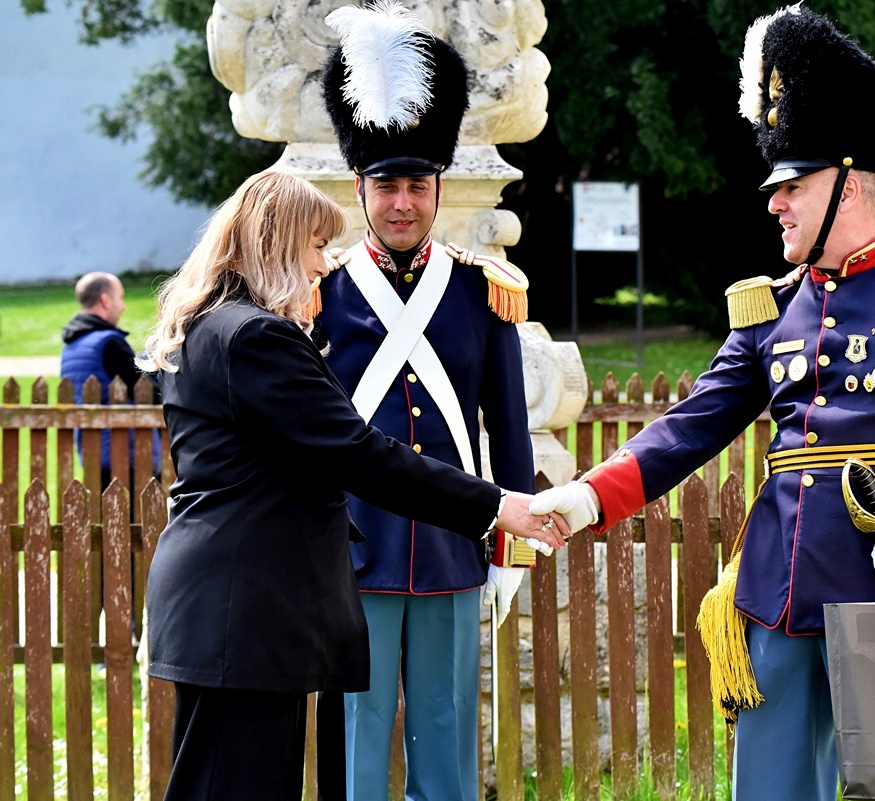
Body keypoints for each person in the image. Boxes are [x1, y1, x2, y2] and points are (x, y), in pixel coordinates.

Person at [531, 7, 875, 800]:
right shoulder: (772, 310)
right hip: (781, 595)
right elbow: (693, 424)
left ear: (850, 186)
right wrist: (588, 495)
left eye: (793, 187)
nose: (774, 204)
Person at [139, 169, 568, 801]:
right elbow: (360, 454)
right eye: (314, 246)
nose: (322, 264)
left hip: (230, 601)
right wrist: (499, 506)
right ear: (277, 244)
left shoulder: (209, 325)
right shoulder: (258, 335)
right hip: (247, 603)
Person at [314, 4, 541, 799]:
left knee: (447, 738)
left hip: (451, 545)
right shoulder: (321, 293)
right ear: (360, 188)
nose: (402, 202)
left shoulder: (485, 290)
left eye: (417, 184)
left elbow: (508, 429)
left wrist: (511, 548)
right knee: (357, 738)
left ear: (439, 186)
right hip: (354, 548)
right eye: (387, 185)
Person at [61, 271, 161, 490]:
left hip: (92, 452)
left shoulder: (71, 344)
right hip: (126, 453)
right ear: (105, 300)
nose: (123, 306)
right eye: (120, 298)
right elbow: (145, 390)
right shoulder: (109, 343)